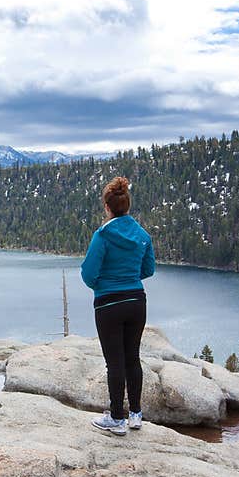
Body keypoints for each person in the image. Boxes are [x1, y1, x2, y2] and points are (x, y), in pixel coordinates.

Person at [80, 176, 155, 436]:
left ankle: (116, 419)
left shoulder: (103, 235)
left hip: (108, 304)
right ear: (128, 205)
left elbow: (89, 274)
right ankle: (135, 414)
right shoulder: (143, 235)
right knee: (133, 358)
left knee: (115, 362)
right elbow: (149, 269)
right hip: (137, 301)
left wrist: (106, 284)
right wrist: (128, 278)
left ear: (107, 206)